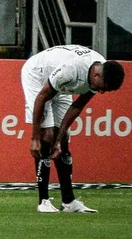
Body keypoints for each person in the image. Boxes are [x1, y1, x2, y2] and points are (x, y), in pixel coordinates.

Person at [21, 44, 125, 213]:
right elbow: (42, 97)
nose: (101, 92)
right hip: (38, 75)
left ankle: (69, 202)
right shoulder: (71, 68)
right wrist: (35, 137)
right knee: (47, 137)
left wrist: (61, 137)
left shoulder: (101, 71)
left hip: (61, 84)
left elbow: (77, 107)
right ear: (97, 74)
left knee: (62, 142)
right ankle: (43, 202)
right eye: (102, 88)